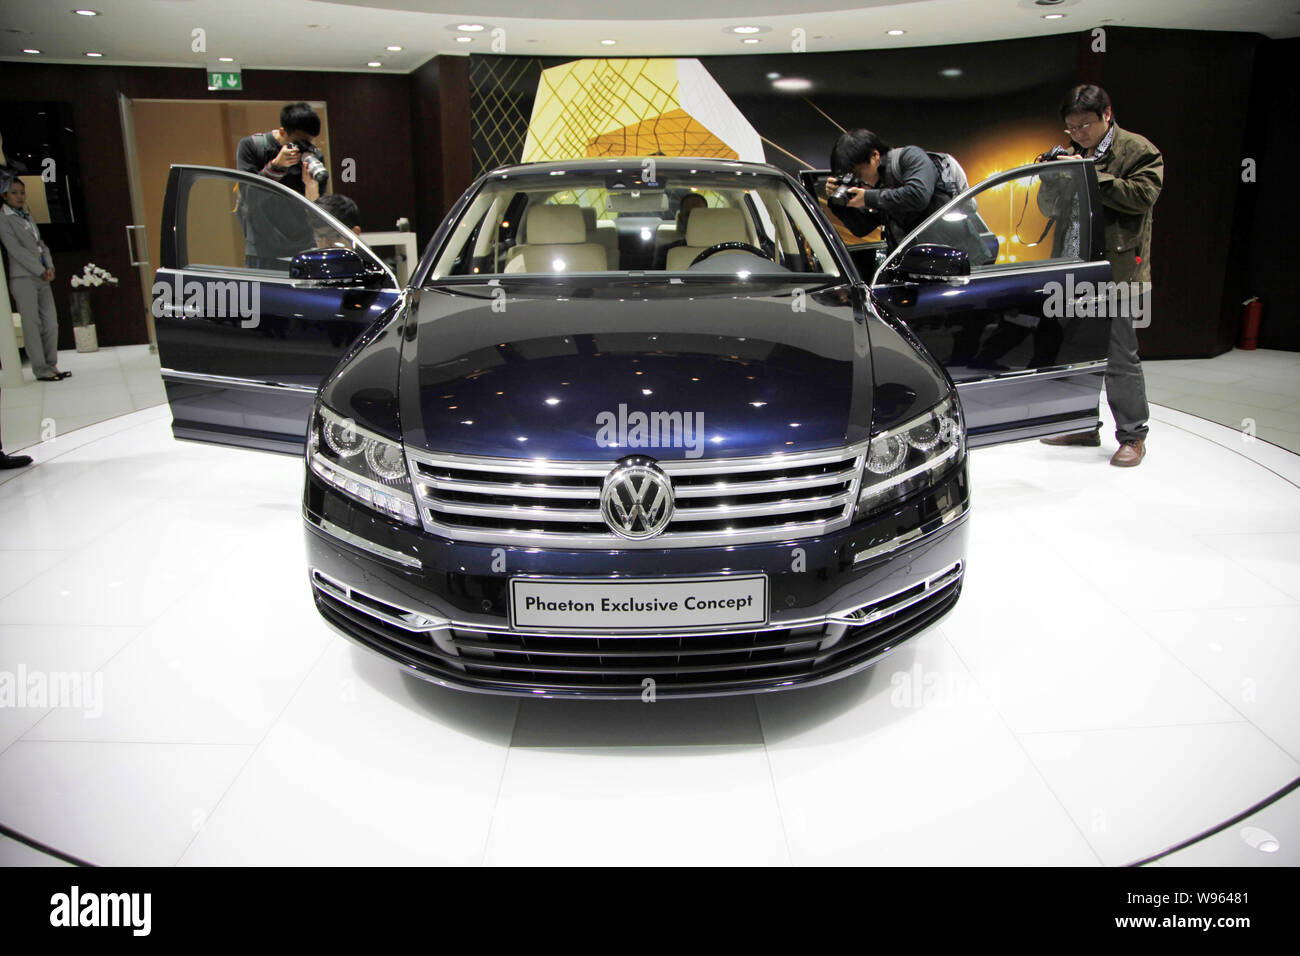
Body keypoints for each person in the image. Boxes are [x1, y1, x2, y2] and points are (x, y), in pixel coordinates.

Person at [1037, 84, 1161, 468]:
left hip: (1118, 272)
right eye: (1071, 127)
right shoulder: (1076, 152)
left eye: (1085, 125)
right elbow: (1048, 208)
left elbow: (1143, 196)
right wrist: (1053, 176)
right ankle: (1083, 425)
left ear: (1107, 114)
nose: (1079, 133)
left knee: (1120, 357)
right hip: (1074, 269)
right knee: (1077, 353)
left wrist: (1087, 173)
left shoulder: (1137, 150)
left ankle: (1133, 436)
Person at [824, 128, 989, 263]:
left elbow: (918, 196)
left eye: (856, 171)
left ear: (874, 156)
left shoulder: (911, 157)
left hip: (963, 262)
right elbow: (862, 228)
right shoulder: (876, 186)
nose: (856, 178)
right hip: (923, 266)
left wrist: (867, 198)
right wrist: (841, 206)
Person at [234, 102, 324, 270]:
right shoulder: (252, 147)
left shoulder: (313, 158)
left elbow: (317, 213)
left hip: (304, 247)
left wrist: (311, 188)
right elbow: (249, 196)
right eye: (300, 141)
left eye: (310, 142)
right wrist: (276, 166)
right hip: (264, 251)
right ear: (282, 131)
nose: (305, 147)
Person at [0, 170, 66, 382]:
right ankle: (40, 369)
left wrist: (50, 265)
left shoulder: (27, 214)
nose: (20, 196)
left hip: (42, 276)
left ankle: (51, 364)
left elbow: (40, 245)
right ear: (5, 196)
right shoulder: (4, 219)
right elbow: (16, 250)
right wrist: (40, 268)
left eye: (22, 192)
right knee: (32, 324)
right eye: (14, 193)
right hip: (23, 278)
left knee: (51, 323)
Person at [655, 192, 707, 269]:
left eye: (699, 214)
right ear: (681, 219)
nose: (694, 219)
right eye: (688, 215)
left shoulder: (722, 250)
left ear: (707, 218)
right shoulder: (666, 252)